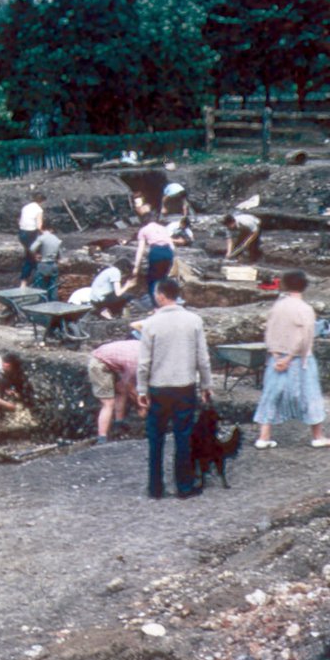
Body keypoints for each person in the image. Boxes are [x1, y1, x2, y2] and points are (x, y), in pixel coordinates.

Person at [136, 277, 214, 499]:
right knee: (183, 436)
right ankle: (184, 486)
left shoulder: (150, 324)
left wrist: (141, 390)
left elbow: (143, 363)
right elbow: (203, 358)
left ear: (160, 296)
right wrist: (206, 385)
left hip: (158, 387)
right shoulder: (194, 321)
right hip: (185, 386)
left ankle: (156, 487)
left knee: (156, 438)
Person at [253, 270, 327, 449]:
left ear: (284, 285)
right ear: (304, 286)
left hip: (276, 356)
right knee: (310, 395)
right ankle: (317, 436)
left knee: (271, 395)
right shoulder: (305, 309)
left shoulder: (277, 306)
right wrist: (290, 357)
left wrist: (277, 356)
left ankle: (264, 436)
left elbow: (269, 331)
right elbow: (305, 338)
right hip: (300, 359)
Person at [87, 339, 141, 444]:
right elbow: (130, 386)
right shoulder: (135, 362)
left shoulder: (144, 347)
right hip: (99, 363)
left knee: (121, 391)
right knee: (108, 402)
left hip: (114, 362)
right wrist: (141, 404)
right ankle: (102, 438)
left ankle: (118, 424)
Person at [132, 213, 175, 308]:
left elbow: (141, 249)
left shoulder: (143, 230)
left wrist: (136, 267)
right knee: (163, 279)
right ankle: (167, 302)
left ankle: (156, 306)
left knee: (152, 280)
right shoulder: (163, 228)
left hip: (156, 252)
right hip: (168, 252)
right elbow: (172, 246)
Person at [17, 192, 46, 287]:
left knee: (30, 255)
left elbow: (20, 221)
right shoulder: (39, 210)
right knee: (33, 257)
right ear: (42, 202)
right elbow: (38, 226)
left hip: (22, 233)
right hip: (31, 234)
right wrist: (44, 233)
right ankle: (30, 281)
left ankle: (27, 280)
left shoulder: (25, 207)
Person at [29, 225, 63, 301]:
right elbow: (60, 255)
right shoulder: (56, 239)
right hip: (53, 265)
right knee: (53, 287)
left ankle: (42, 305)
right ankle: (54, 304)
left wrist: (36, 256)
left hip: (43, 264)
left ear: (43, 229)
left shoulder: (42, 238)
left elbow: (32, 249)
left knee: (41, 288)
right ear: (51, 230)